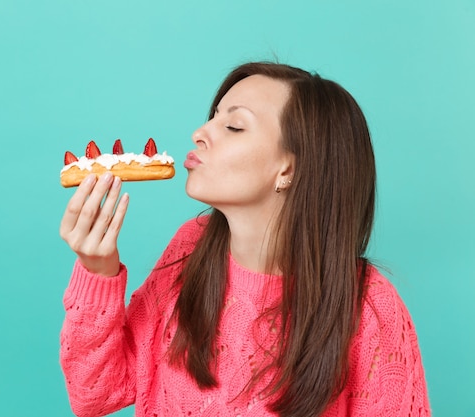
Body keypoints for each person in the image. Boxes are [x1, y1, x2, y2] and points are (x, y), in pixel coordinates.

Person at [58, 62, 431, 417]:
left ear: (288, 168)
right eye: (213, 117)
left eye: (234, 126)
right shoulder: (190, 250)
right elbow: (95, 394)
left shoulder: (372, 311)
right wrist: (98, 271)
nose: (200, 134)